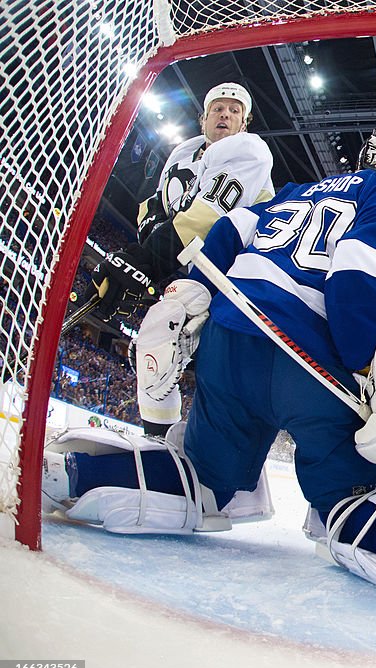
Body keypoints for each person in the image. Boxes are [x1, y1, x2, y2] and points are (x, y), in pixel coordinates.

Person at [42, 127, 376, 601]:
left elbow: (222, 236)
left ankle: (70, 474)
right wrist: (369, 373)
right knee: (348, 494)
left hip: (230, 342)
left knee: (204, 479)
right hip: (313, 357)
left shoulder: (289, 192)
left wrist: (191, 291)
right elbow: (362, 284)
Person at [85, 82, 276, 436]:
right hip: (195, 274)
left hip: (237, 277)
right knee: (155, 350)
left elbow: (207, 217)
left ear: (244, 124)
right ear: (202, 118)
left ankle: (196, 459)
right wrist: (146, 266)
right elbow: (154, 210)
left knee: (218, 380)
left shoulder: (251, 150)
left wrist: (147, 259)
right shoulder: (182, 156)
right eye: (218, 108)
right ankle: (160, 445)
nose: (225, 115)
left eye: (235, 111)